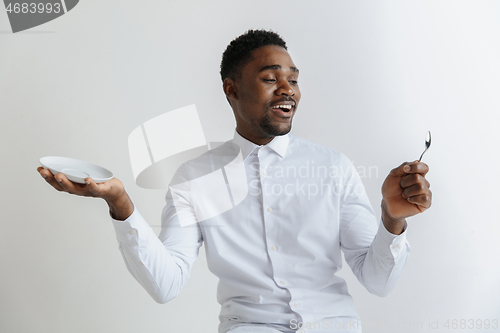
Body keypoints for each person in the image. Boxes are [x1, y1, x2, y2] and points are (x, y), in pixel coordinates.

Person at [38, 30, 432, 333]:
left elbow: (377, 281)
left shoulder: (333, 168)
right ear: (232, 89)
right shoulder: (194, 179)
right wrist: (120, 203)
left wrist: (391, 221)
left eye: (293, 80)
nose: (287, 90)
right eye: (270, 78)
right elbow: (165, 284)